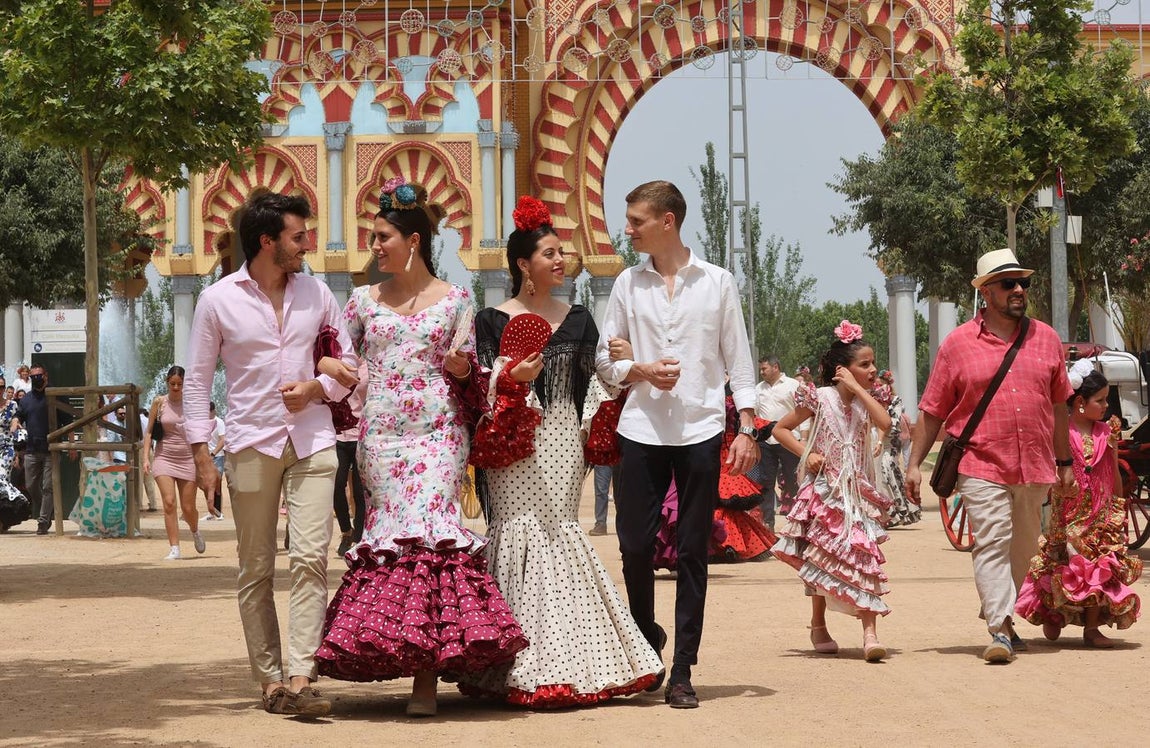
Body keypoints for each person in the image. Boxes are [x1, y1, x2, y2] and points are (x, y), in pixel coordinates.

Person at [314, 177, 526, 717]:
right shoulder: (361, 302)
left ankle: (426, 679)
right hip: (381, 440)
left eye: (383, 236)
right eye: (373, 237)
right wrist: (327, 368)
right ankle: (396, 648)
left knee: (431, 537)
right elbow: (336, 361)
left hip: (439, 435)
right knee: (393, 540)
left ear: (413, 241)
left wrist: (463, 368)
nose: (375, 247)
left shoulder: (456, 301)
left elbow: (473, 370)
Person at [458, 195, 662, 707]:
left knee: (558, 533)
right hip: (512, 441)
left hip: (562, 439)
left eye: (561, 253)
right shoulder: (489, 320)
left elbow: (600, 383)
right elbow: (480, 388)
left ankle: (567, 658)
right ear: (523, 265)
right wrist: (510, 377)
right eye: (548, 253)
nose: (559, 261)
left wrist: (629, 361)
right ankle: (508, 662)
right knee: (513, 532)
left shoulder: (578, 319)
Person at [185, 190, 356, 718]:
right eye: (298, 236)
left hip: (313, 440)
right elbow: (196, 382)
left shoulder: (319, 294)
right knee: (256, 567)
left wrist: (317, 390)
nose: (307, 245)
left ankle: (301, 678)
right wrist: (201, 456)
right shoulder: (218, 300)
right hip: (250, 442)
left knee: (309, 558)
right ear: (267, 241)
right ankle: (269, 681)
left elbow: (350, 364)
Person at [595, 180, 759, 709]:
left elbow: (738, 358)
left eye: (637, 220)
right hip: (640, 428)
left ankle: (683, 669)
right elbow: (605, 365)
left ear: (667, 221)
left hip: (700, 429)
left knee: (692, 551)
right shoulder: (627, 284)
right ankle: (647, 637)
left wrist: (749, 427)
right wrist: (638, 368)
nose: (628, 229)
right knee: (635, 546)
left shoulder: (717, 283)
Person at [905, 248, 1075, 664]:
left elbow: (1058, 407)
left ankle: (998, 605)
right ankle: (999, 629)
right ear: (986, 292)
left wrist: (1066, 461)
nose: (1019, 290)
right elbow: (932, 410)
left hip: (1034, 463)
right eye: (1008, 284)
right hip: (980, 462)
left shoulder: (1047, 339)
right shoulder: (958, 344)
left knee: (1023, 547)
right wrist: (912, 464)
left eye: (1023, 283)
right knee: (993, 540)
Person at [770, 320, 894, 661]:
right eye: (864, 364)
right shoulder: (818, 397)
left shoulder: (866, 402)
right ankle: (818, 623)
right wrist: (808, 454)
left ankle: (870, 632)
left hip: (857, 492)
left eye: (873, 363)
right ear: (843, 368)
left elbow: (885, 424)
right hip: (826, 491)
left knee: (864, 554)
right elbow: (781, 430)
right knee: (821, 557)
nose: (872, 369)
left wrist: (859, 388)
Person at [1015, 361, 1142, 646]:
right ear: (1081, 402)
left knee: (1098, 565)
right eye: (1101, 400)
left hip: (1100, 513)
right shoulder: (1061, 433)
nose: (1106, 405)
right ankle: (1053, 614)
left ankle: (1092, 629)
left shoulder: (1106, 432)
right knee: (1060, 564)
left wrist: (1119, 506)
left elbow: (1113, 471)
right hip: (1067, 514)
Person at [143, 366, 204, 560]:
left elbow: (201, 430)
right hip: (164, 456)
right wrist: (146, 457)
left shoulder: (191, 403)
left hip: (188, 458)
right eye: (172, 384)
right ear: (167, 383)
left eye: (179, 384)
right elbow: (150, 432)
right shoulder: (159, 402)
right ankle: (174, 547)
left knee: (188, 507)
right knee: (169, 502)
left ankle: (194, 530)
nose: (176, 387)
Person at [754, 354, 800, 528]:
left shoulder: (792, 385)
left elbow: (802, 411)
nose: (762, 372)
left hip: (789, 439)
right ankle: (768, 523)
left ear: (775, 367)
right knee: (765, 481)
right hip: (765, 441)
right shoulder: (758, 388)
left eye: (764, 368)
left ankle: (797, 522)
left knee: (793, 480)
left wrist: (803, 437)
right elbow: (755, 414)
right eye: (760, 369)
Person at [873, 372, 920, 528]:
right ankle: (889, 513)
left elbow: (892, 423)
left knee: (886, 470)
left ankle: (894, 511)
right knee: (880, 475)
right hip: (875, 439)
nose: (878, 388)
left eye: (881, 385)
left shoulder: (895, 401)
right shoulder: (872, 400)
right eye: (876, 385)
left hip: (891, 442)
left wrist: (884, 409)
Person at [12, 364, 53, 535]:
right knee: (30, 485)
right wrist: (15, 421)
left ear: (46, 376)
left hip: (51, 449)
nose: (36, 378)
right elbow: (19, 414)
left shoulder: (54, 396)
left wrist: (72, 443)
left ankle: (43, 521)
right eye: (33, 375)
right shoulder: (27, 399)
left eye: (39, 375)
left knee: (48, 486)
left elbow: (68, 419)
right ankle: (47, 510)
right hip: (31, 449)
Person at [332, 360, 367, 556]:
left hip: (362, 434)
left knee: (360, 493)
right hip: (337, 434)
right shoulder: (334, 364)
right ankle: (346, 531)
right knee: (336, 486)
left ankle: (358, 537)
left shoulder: (367, 367)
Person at [0, 384, 30, 532]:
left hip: (7, 448)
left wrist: (18, 454)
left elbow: (18, 425)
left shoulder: (12, 405)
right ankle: (3, 520)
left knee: (1, 478)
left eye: (1, 386)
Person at [201, 402, 225, 521]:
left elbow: (222, 440)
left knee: (216, 485)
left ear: (213, 411)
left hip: (217, 457)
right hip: (206, 457)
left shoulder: (219, 422)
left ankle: (218, 512)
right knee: (206, 484)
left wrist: (213, 453)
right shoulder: (203, 423)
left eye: (209, 412)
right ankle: (211, 511)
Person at [590, 463, 615, 535]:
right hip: (603, 456)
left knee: (622, 491)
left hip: (622, 455)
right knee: (601, 491)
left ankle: (626, 524)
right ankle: (601, 524)